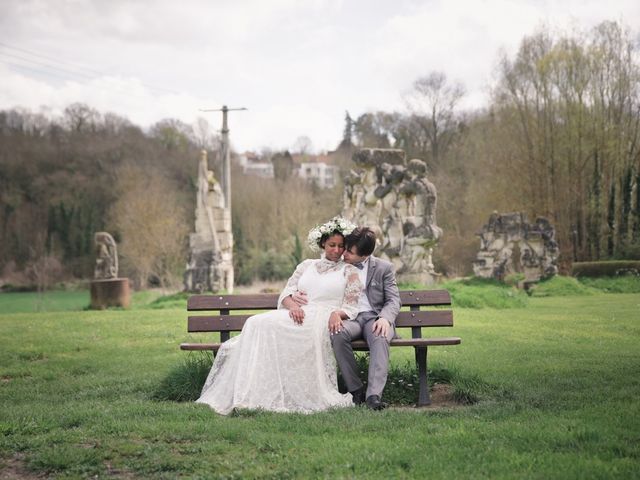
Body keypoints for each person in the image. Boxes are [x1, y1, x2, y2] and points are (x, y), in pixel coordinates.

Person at [196, 217, 363, 414]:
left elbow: (351, 306)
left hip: (321, 319)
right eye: (331, 245)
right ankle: (249, 389)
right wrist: (293, 306)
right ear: (322, 244)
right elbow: (287, 292)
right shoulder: (306, 265)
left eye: (340, 246)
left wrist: (337, 313)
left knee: (271, 328)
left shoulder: (349, 270)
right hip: (297, 314)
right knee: (255, 323)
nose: (336, 250)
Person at [293, 227, 401, 410]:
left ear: (365, 255)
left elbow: (394, 299)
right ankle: (356, 389)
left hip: (374, 317)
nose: (344, 253)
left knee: (380, 336)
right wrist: (296, 296)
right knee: (337, 332)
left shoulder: (384, 268)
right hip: (350, 318)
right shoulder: (338, 265)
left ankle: (373, 396)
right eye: (346, 248)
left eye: (350, 252)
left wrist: (385, 318)